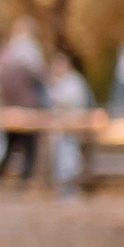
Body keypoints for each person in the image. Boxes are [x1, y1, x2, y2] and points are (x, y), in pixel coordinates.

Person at [0, 18, 47, 182]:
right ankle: (26, 179)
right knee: (29, 145)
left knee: (10, 144)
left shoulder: (7, 51)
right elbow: (39, 75)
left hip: (10, 107)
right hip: (28, 105)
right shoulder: (30, 50)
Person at [46, 47, 93, 198]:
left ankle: (70, 190)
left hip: (73, 128)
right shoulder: (58, 82)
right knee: (61, 160)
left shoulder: (74, 82)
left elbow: (74, 102)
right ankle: (63, 190)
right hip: (61, 130)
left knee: (71, 160)